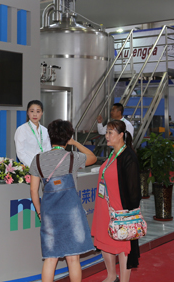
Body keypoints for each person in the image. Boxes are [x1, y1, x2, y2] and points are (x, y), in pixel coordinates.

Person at [29, 119, 97, 282]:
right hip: (72, 213)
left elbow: (33, 190)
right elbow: (93, 158)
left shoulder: (37, 159)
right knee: (73, 258)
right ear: (67, 138)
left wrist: (40, 212)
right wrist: (75, 143)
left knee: (50, 258)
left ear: (49, 136)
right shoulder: (73, 157)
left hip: (49, 213)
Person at [91, 120, 141, 282]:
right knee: (105, 241)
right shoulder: (113, 154)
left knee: (124, 246)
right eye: (106, 132)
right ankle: (112, 276)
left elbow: (134, 190)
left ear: (120, 135)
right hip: (105, 208)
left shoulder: (128, 156)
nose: (106, 136)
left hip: (120, 210)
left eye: (110, 133)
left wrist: (130, 213)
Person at [14, 100, 52, 167]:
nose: (35, 114)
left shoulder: (45, 130)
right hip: (29, 167)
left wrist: (45, 165)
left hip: (44, 167)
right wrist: (34, 166)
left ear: (42, 113)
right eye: (32, 111)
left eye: (38, 111)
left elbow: (48, 150)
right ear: (27, 112)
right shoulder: (22, 130)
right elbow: (20, 153)